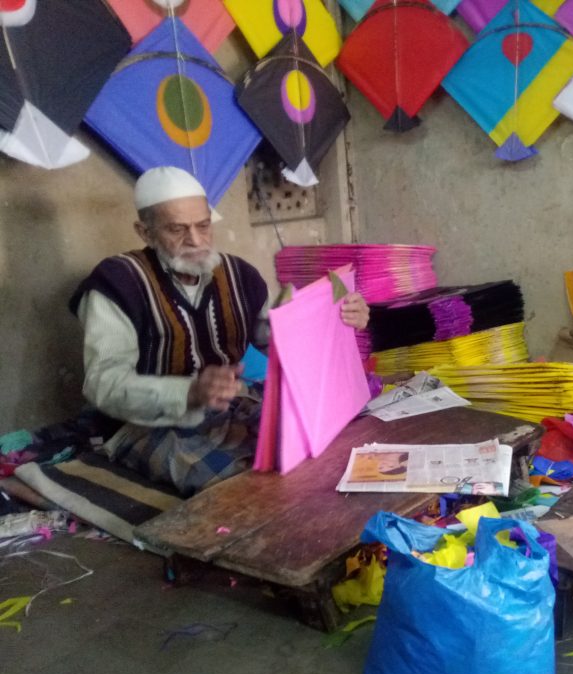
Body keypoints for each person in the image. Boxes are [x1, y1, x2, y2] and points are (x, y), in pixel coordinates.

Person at [70, 166, 369, 494]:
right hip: (144, 424)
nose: (195, 241)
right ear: (145, 232)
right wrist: (190, 393)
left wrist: (339, 317)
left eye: (203, 226)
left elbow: (280, 338)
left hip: (229, 402)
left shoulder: (239, 274)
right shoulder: (117, 284)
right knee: (247, 487)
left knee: (324, 443)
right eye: (176, 229)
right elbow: (103, 385)